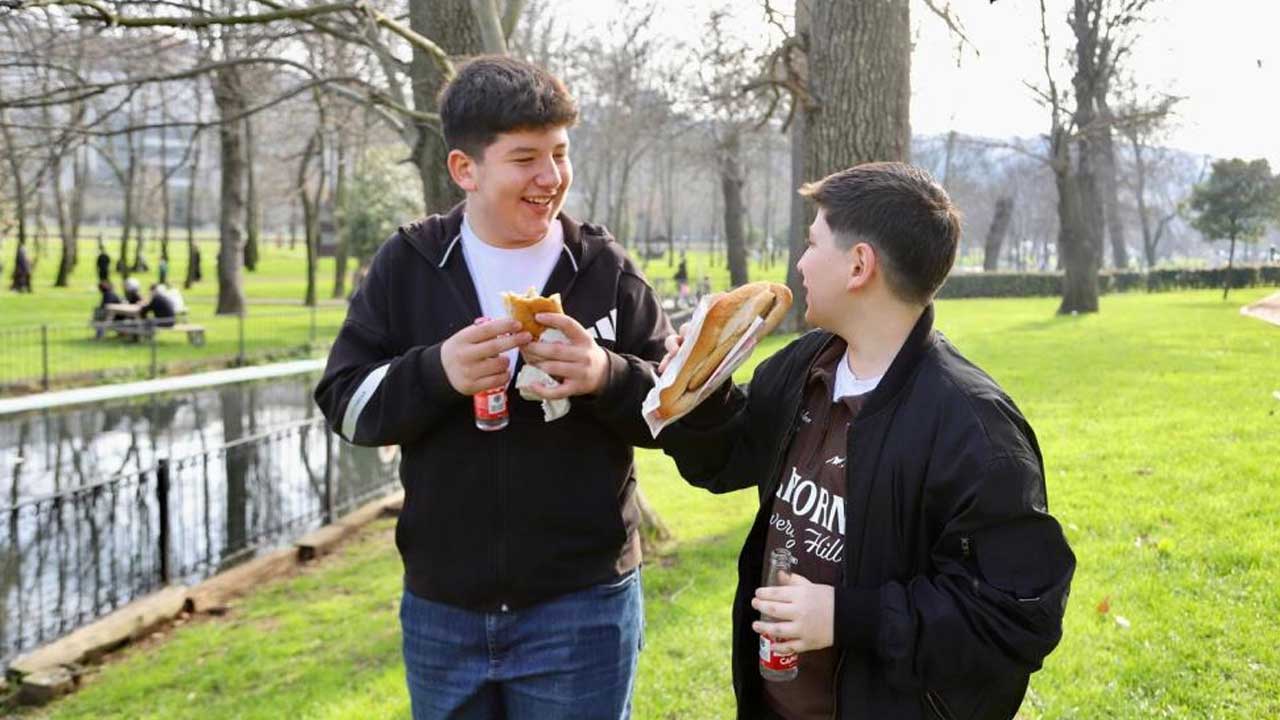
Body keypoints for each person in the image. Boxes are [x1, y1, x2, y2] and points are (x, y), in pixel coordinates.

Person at [314, 56, 680, 720]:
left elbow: (679, 413)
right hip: (441, 612)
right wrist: (435, 373)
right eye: (525, 158)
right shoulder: (411, 262)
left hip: (583, 608)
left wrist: (605, 375)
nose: (551, 178)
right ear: (465, 169)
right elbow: (345, 405)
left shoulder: (602, 267)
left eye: (560, 154)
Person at [659, 163, 1075, 720]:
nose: (801, 262)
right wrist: (700, 385)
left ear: (859, 265)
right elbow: (725, 459)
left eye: (811, 243)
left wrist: (843, 616)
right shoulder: (808, 364)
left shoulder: (975, 430)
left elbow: (1018, 616)